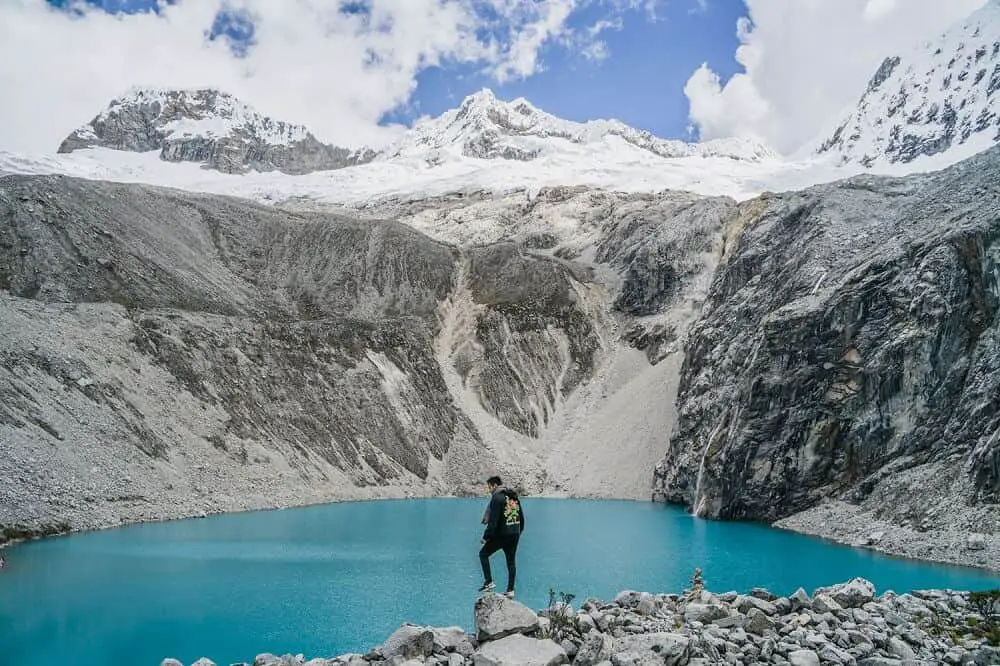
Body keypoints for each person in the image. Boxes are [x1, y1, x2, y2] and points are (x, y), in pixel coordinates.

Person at [478, 475, 525, 598]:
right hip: (514, 533)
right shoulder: (513, 496)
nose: (489, 490)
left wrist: (485, 537)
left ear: (494, 485)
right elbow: (522, 518)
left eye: (489, 487)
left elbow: (493, 522)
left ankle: (489, 582)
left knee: (483, 554)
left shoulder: (497, 498)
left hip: (502, 535)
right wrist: (518, 533)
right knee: (511, 562)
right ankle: (510, 590)